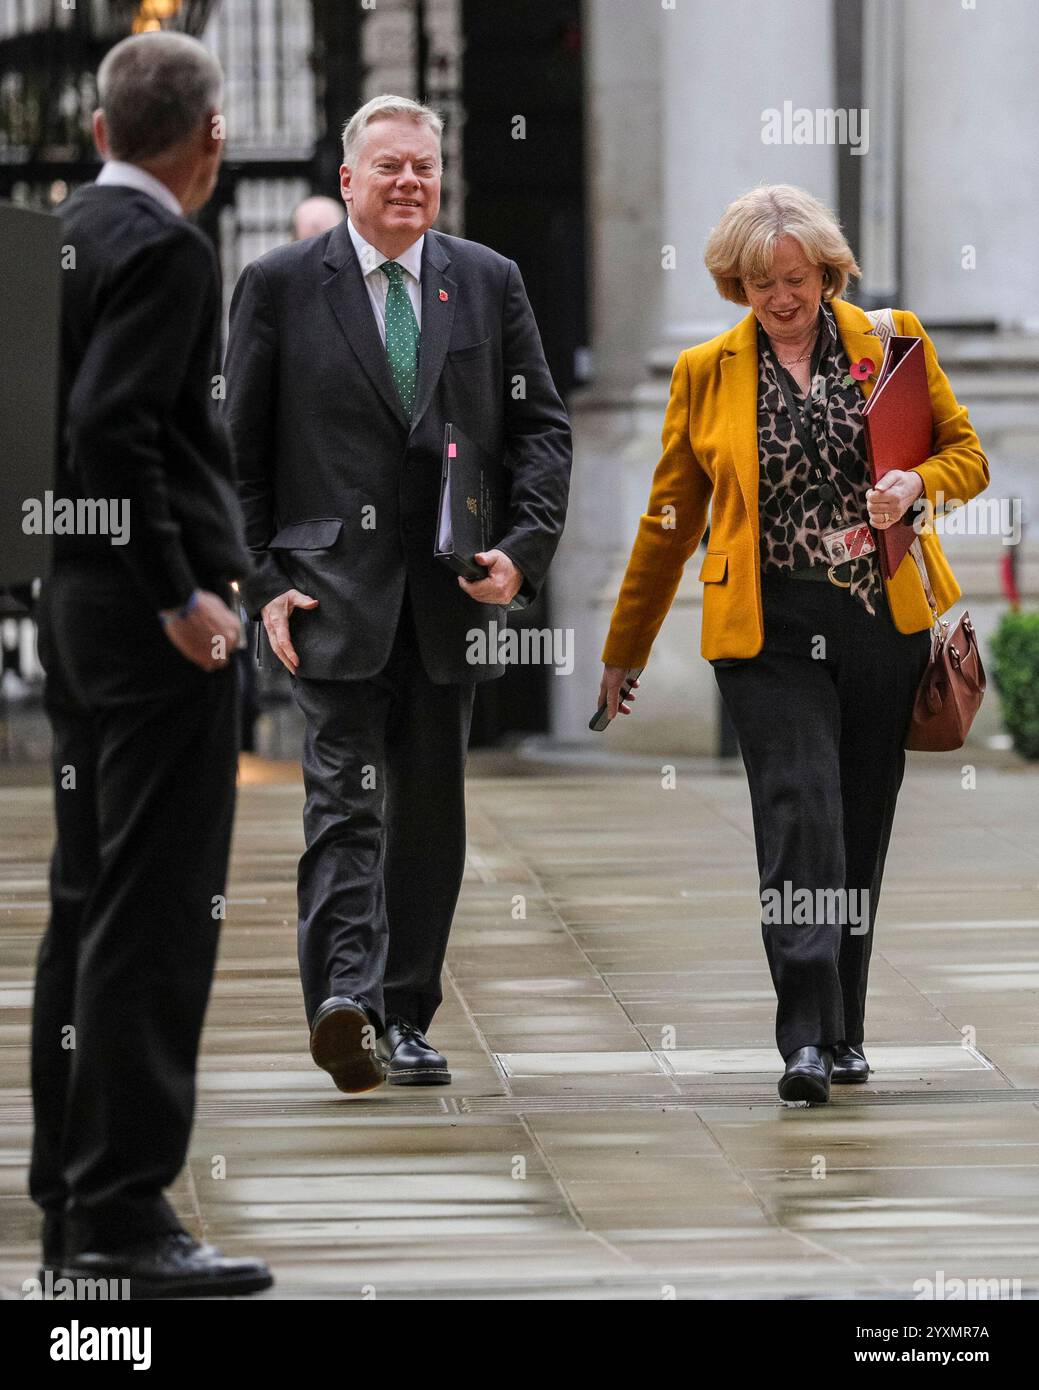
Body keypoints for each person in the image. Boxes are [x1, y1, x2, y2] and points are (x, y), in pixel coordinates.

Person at [599, 184, 989, 1104]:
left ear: (826, 270)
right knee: (798, 814)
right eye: (760, 281)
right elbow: (666, 521)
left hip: (874, 620)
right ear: (734, 283)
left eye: (797, 277)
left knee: (857, 825)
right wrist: (627, 646)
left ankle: (845, 1026)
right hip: (766, 630)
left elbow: (965, 454)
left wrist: (914, 485)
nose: (782, 296)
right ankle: (804, 1039)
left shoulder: (888, 344)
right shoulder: (705, 371)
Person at [225, 95, 571, 1092]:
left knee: (428, 816)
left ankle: (406, 1014)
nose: (411, 180)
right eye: (389, 167)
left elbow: (540, 426)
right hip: (329, 597)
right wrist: (265, 585)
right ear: (348, 180)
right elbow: (237, 455)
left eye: (423, 166)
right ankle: (346, 1001)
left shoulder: (487, 282)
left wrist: (522, 545)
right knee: (343, 804)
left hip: (447, 595)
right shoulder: (283, 284)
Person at [30, 32, 272, 1296]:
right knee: (156, 915)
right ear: (210, 138)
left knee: (87, 900)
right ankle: (124, 1213)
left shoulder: (53, 238)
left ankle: (71, 1198)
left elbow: (37, 443)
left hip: (73, 608)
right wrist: (180, 593)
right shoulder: (168, 248)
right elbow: (110, 430)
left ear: (98, 130)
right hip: (146, 624)